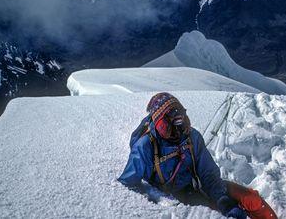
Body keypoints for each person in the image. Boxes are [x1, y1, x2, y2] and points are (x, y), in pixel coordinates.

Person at [118, 92, 277, 219]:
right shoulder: (145, 146)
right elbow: (127, 185)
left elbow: (208, 173)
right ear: (160, 123)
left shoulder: (192, 137)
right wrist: (155, 203)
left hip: (199, 186)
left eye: (181, 120)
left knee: (252, 199)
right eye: (172, 124)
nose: (178, 129)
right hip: (180, 199)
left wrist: (223, 200)